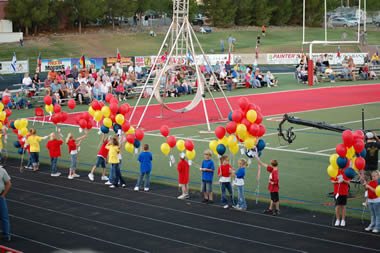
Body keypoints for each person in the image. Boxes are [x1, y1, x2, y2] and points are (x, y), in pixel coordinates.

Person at [0, 167, 11, 242]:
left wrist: (3, 195)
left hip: (0, 197)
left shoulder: (2, 171)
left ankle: (7, 234)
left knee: (4, 216)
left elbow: (8, 183)